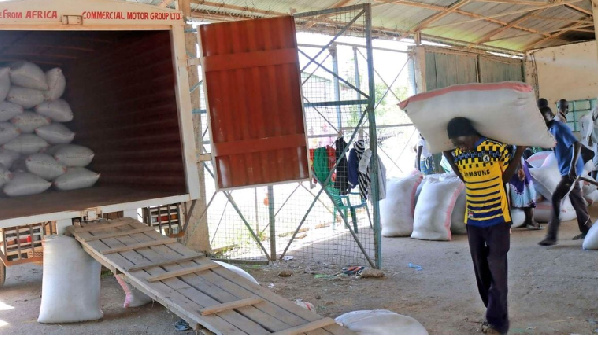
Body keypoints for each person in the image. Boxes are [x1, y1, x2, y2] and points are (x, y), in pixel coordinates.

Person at [443, 117, 525, 335]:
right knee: (480, 269)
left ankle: (498, 322)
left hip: (498, 218)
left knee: (497, 268)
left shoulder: (495, 148)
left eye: (460, 141)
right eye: (454, 143)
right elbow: (464, 177)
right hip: (474, 220)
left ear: (470, 133)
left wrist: (519, 152)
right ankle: (492, 308)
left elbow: (505, 178)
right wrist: (450, 158)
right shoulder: (459, 152)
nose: (459, 146)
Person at [538, 106, 593, 246]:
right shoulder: (549, 130)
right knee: (577, 200)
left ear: (550, 115)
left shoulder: (559, 127)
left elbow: (576, 144)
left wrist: (573, 167)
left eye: (544, 117)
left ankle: (551, 236)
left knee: (556, 198)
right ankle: (588, 230)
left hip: (571, 170)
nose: (542, 120)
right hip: (567, 170)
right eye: (540, 118)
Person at [508, 146, 541, 230]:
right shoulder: (511, 136)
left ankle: (529, 220)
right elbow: (517, 151)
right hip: (515, 164)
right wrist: (520, 168)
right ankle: (530, 221)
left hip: (510, 163)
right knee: (527, 191)